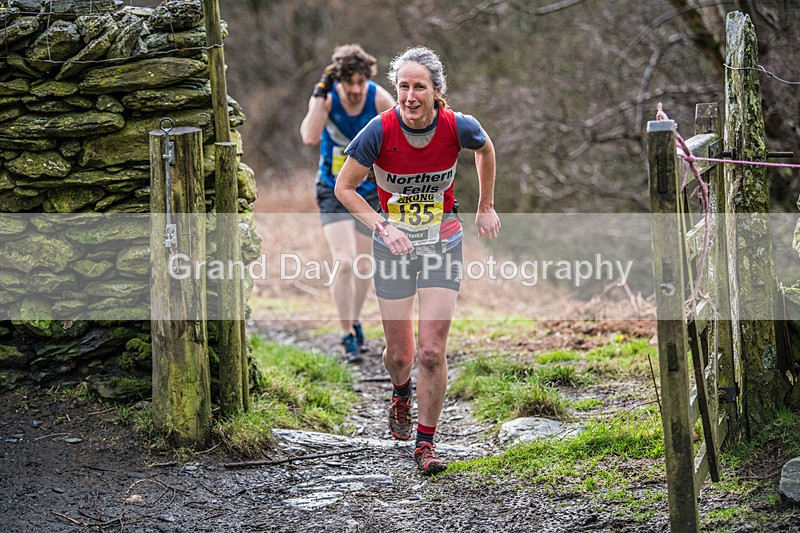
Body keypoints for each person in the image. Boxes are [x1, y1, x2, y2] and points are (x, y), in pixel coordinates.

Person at [334, 46, 500, 474]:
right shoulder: (378, 131)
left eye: (419, 87)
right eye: (403, 87)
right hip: (393, 247)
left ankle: (425, 444)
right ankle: (400, 391)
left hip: (442, 242)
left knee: (430, 351)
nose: (410, 96)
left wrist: (486, 205)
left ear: (436, 91)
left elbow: (485, 148)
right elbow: (344, 188)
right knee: (401, 355)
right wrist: (383, 227)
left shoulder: (457, 126)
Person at [300, 44, 395, 363]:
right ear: (339, 81)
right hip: (333, 188)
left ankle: (354, 319)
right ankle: (345, 334)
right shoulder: (327, 99)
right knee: (344, 262)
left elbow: (399, 138)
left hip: (368, 192)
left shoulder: (379, 99)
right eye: (349, 83)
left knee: (364, 266)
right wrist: (318, 95)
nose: (355, 90)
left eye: (361, 82)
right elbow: (310, 137)